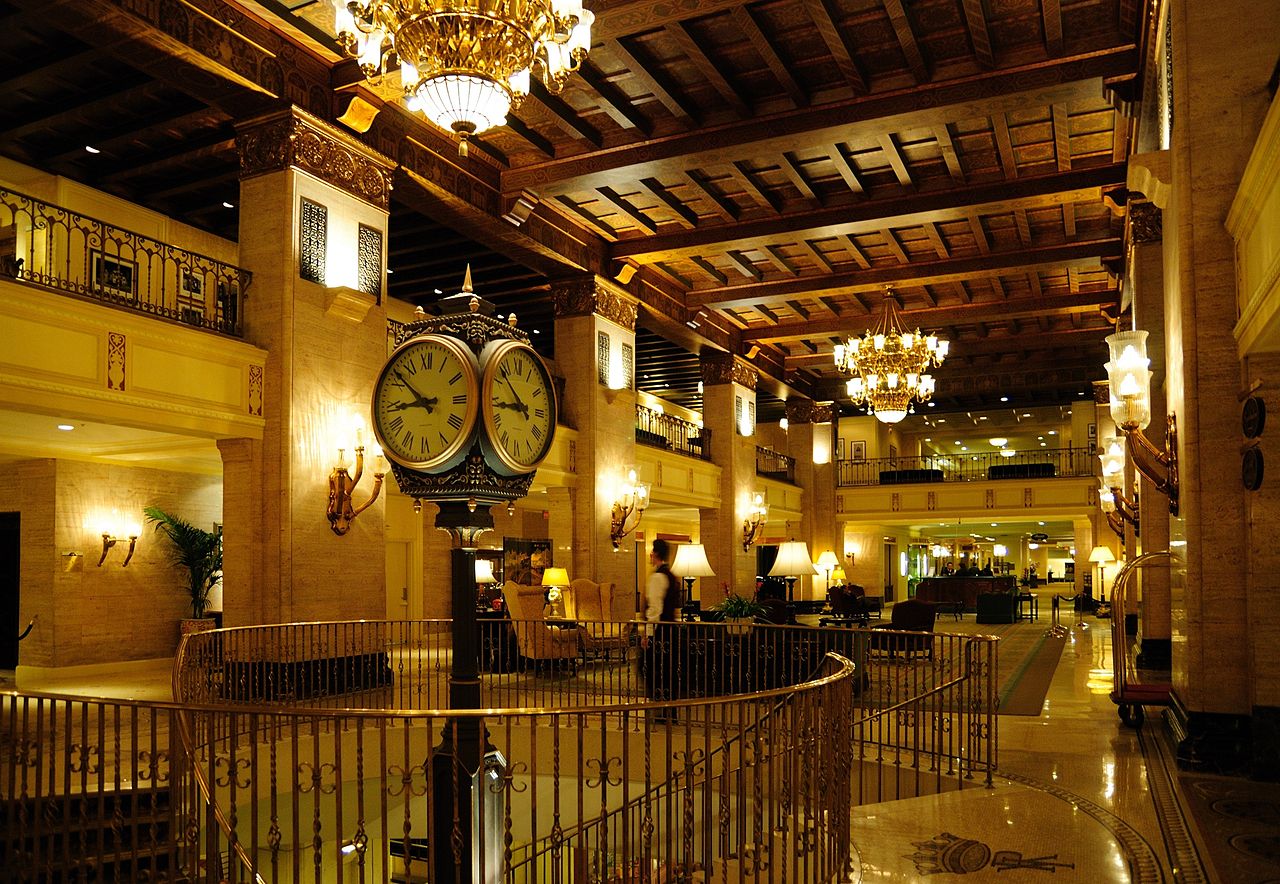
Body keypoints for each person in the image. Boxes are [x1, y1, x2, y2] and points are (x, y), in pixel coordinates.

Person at [641, 539, 682, 718]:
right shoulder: (671, 575)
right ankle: (667, 707)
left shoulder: (658, 577)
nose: (650, 555)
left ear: (655, 554)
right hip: (669, 631)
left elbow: (654, 609)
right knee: (666, 669)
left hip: (660, 633)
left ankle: (661, 707)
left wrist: (648, 635)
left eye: (652, 551)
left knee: (653, 669)